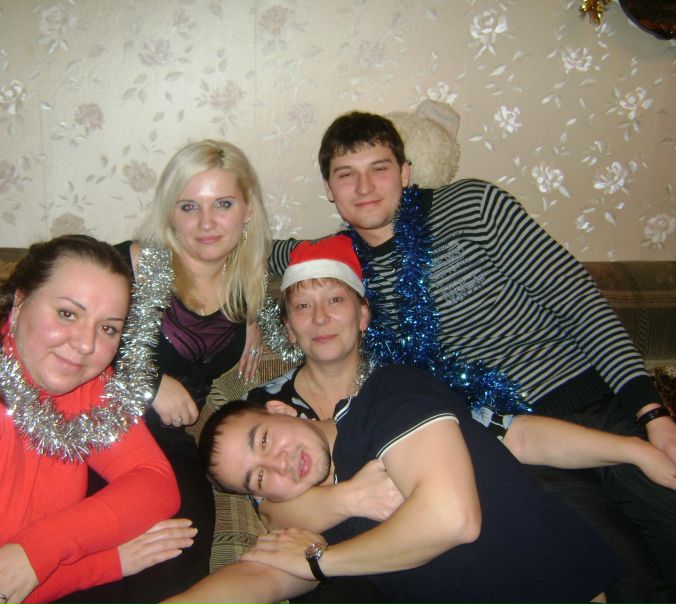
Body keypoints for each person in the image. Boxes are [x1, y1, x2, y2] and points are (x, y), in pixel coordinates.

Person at [265, 111, 676, 602]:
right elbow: (250, 256)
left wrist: (651, 412)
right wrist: (249, 315)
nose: (365, 187)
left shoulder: (470, 206)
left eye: (380, 168)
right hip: (514, 450)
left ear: (406, 173)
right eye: (346, 174)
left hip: (594, 404)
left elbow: (579, 301)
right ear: (329, 190)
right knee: (623, 580)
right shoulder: (340, 265)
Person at [169, 237, 627, 603]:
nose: (320, 318)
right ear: (288, 328)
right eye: (303, 307)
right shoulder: (269, 415)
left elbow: (506, 435)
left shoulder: (395, 385)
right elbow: (267, 550)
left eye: (335, 300)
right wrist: (348, 501)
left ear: (363, 314)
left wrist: (635, 449)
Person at [0, 234, 192, 604]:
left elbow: (154, 481)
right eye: (67, 314)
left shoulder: (81, 380)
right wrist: (109, 562)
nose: (86, 344)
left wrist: (41, 547)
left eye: (108, 328)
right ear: (19, 303)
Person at [69, 140, 272, 603]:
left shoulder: (247, 287)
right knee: (89, 561)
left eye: (223, 204)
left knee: (177, 563)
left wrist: (256, 322)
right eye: (189, 206)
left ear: (247, 211)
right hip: (96, 433)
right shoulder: (129, 267)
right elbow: (63, 350)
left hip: (169, 448)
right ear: (170, 214)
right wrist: (151, 385)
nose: (206, 223)